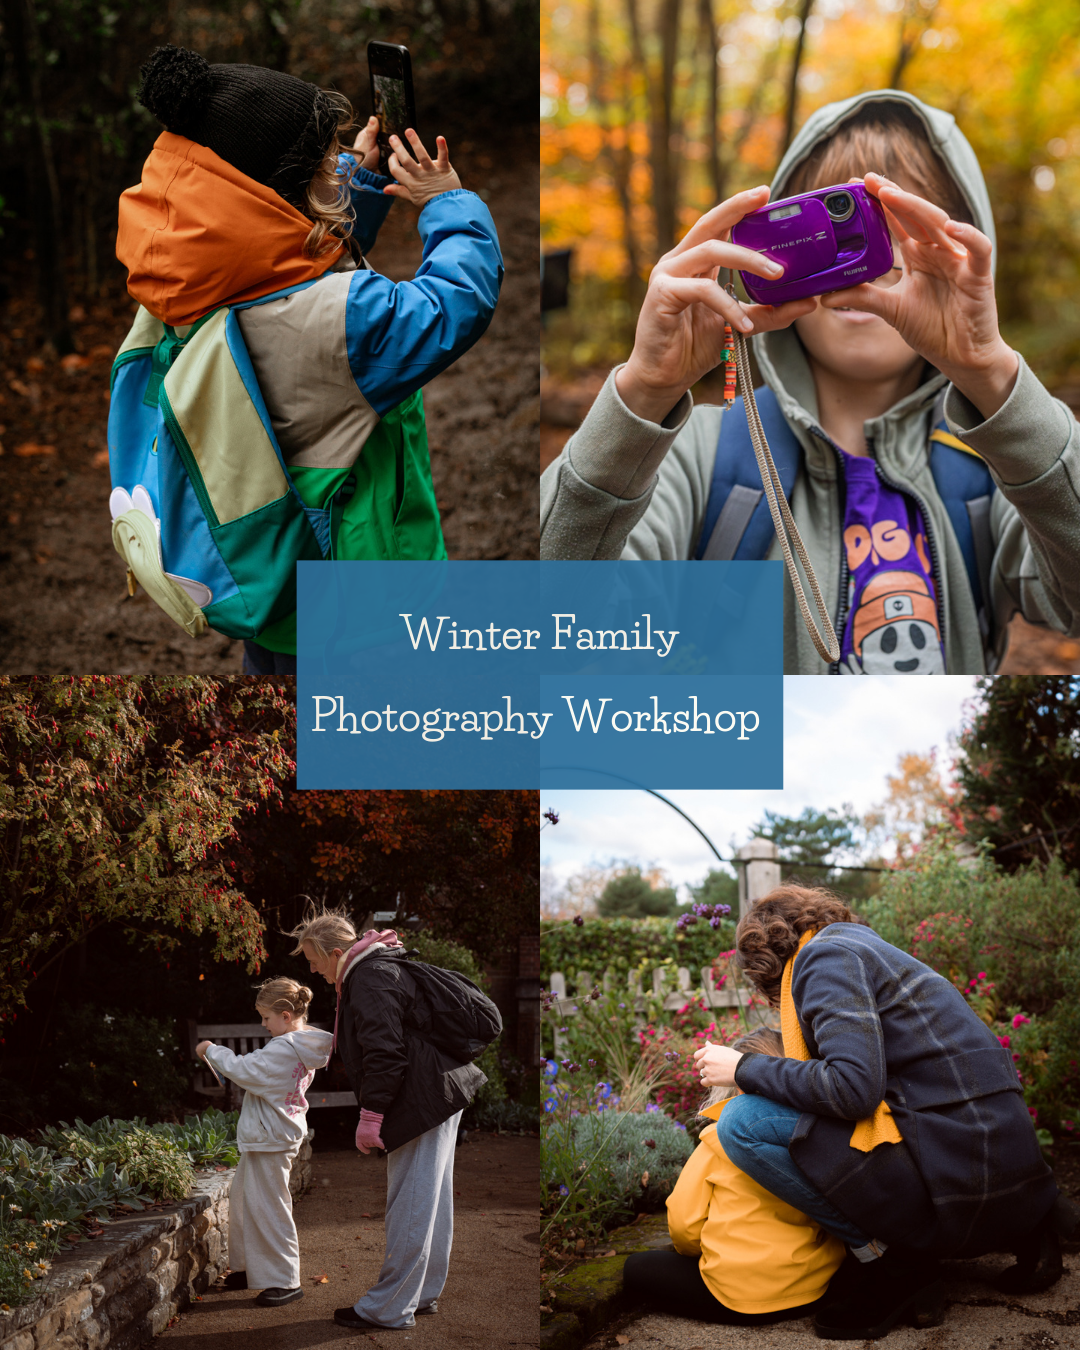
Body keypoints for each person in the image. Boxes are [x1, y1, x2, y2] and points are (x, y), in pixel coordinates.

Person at [540, 89, 1080, 675]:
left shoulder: (995, 468)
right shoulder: (696, 455)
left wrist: (992, 374)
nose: (872, 261)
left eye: (905, 223)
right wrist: (644, 391)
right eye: (833, 223)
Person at [117, 44, 503, 674]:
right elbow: (453, 304)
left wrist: (361, 184)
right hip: (368, 611)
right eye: (331, 162)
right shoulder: (344, 323)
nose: (342, 164)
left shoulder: (186, 281)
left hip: (275, 582)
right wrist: (445, 204)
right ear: (276, 196)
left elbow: (287, 270)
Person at [693, 887, 1072, 1340]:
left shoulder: (824, 958)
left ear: (767, 962)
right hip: (1001, 1163)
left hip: (962, 1169)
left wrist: (744, 1067)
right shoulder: (865, 948)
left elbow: (853, 1090)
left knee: (744, 1123)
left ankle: (893, 1265)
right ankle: (1031, 1226)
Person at [288, 905, 487, 1331]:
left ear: (337, 951)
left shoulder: (369, 977)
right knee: (431, 1200)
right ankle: (422, 1294)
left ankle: (389, 1307)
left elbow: (385, 1053)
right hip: (437, 1093)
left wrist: (371, 1113)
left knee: (411, 1202)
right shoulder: (380, 966)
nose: (312, 968)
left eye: (313, 959)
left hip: (421, 1100)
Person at [623, 1026, 845, 1326]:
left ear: (735, 1082)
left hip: (735, 1298)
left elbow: (684, 1226)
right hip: (810, 1290)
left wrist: (701, 1253)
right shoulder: (811, 1135)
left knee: (635, 1268)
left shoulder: (718, 1138)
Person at [196, 977, 333, 1307]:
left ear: (285, 1015)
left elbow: (247, 1071)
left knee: (270, 1209)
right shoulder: (297, 1042)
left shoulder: (286, 1048)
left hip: (271, 1139)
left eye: (266, 1017)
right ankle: (250, 1269)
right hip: (268, 1137)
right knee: (245, 1202)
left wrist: (211, 1050)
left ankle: (284, 1280)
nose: (263, 1023)